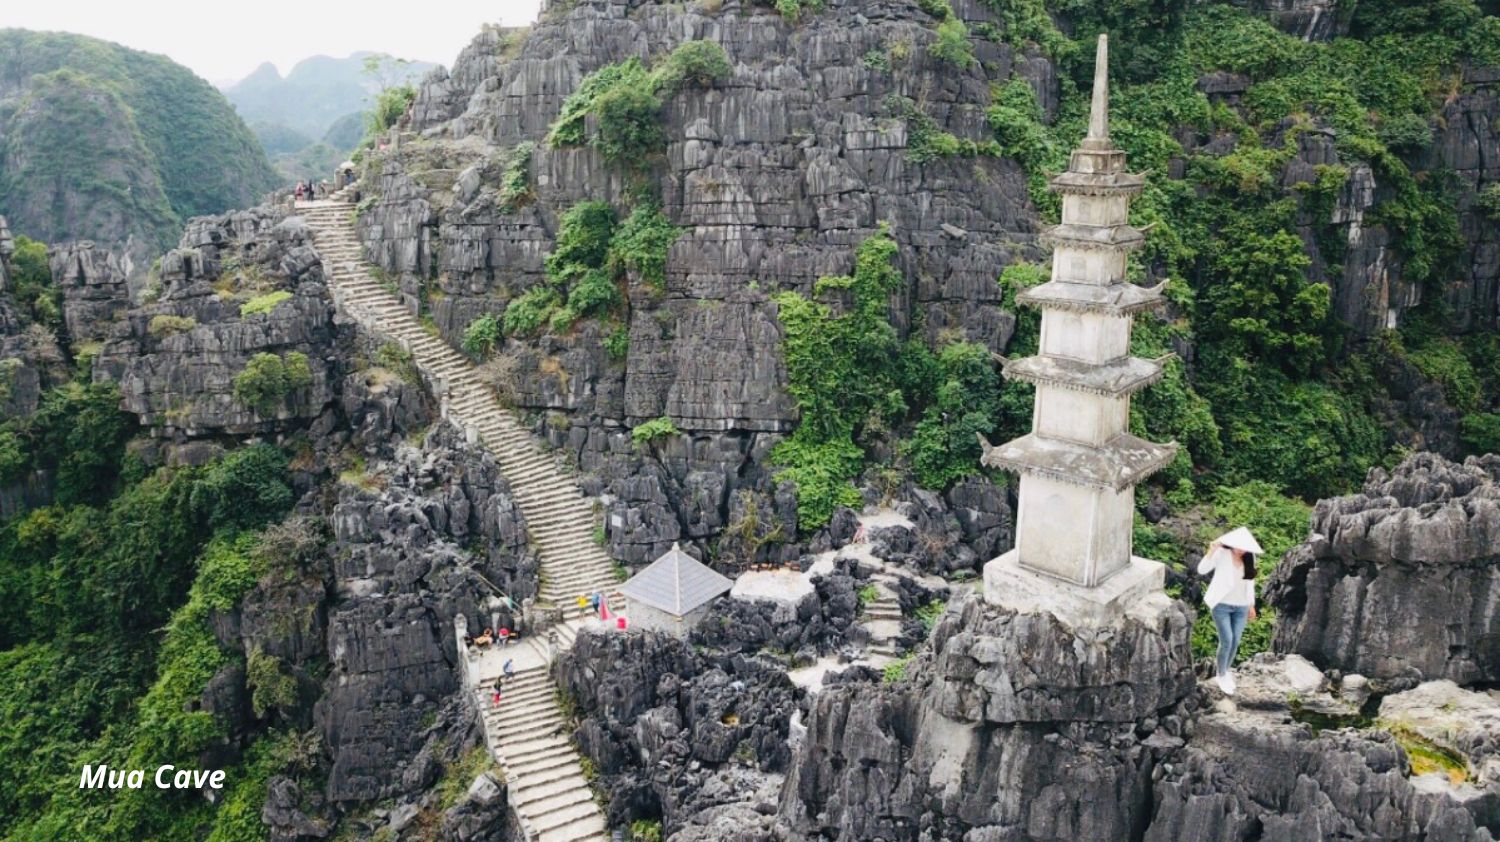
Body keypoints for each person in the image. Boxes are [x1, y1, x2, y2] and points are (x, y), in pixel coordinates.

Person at [1197, 526, 1265, 694]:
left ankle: (1226, 671)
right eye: (1238, 546)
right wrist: (1211, 551)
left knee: (1235, 641)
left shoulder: (1250, 557)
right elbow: (1201, 570)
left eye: (1243, 547)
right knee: (1226, 639)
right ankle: (1220, 674)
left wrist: (1251, 605)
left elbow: (1250, 583)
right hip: (1222, 605)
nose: (1240, 550)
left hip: (1241, 606)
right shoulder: (1222, 554)